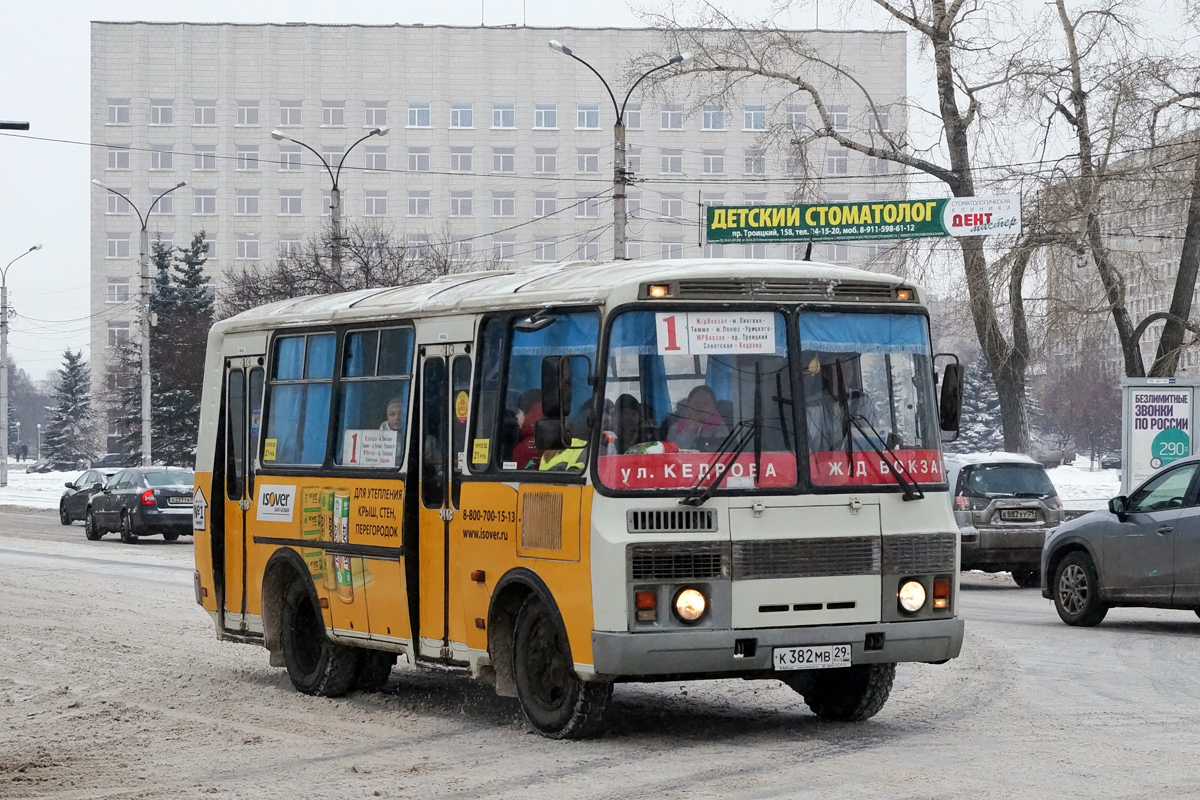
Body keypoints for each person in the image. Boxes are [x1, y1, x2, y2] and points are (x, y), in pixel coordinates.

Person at [804, 352, 876, 452]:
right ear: (826, 373)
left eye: (848, 365)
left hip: (858, 465)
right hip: (822, 466)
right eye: (839, 366)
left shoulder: (863, 401)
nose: (845, 371)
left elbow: (873, 442)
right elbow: (808, 450)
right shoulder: (812, 405)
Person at [666, 385, 729, 451]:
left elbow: (720, 451)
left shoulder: (719, 426)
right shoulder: (675, 428)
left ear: (713, 407)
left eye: (706, 403)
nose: (700, 406)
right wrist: (690, 429)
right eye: (696, 402)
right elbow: (673, 451)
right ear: (688, 405)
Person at [511, 389, 544, 469]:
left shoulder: (522, 450)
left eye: (519, 412)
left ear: (530, 414)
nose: (516, 416)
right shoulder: (561, 441)